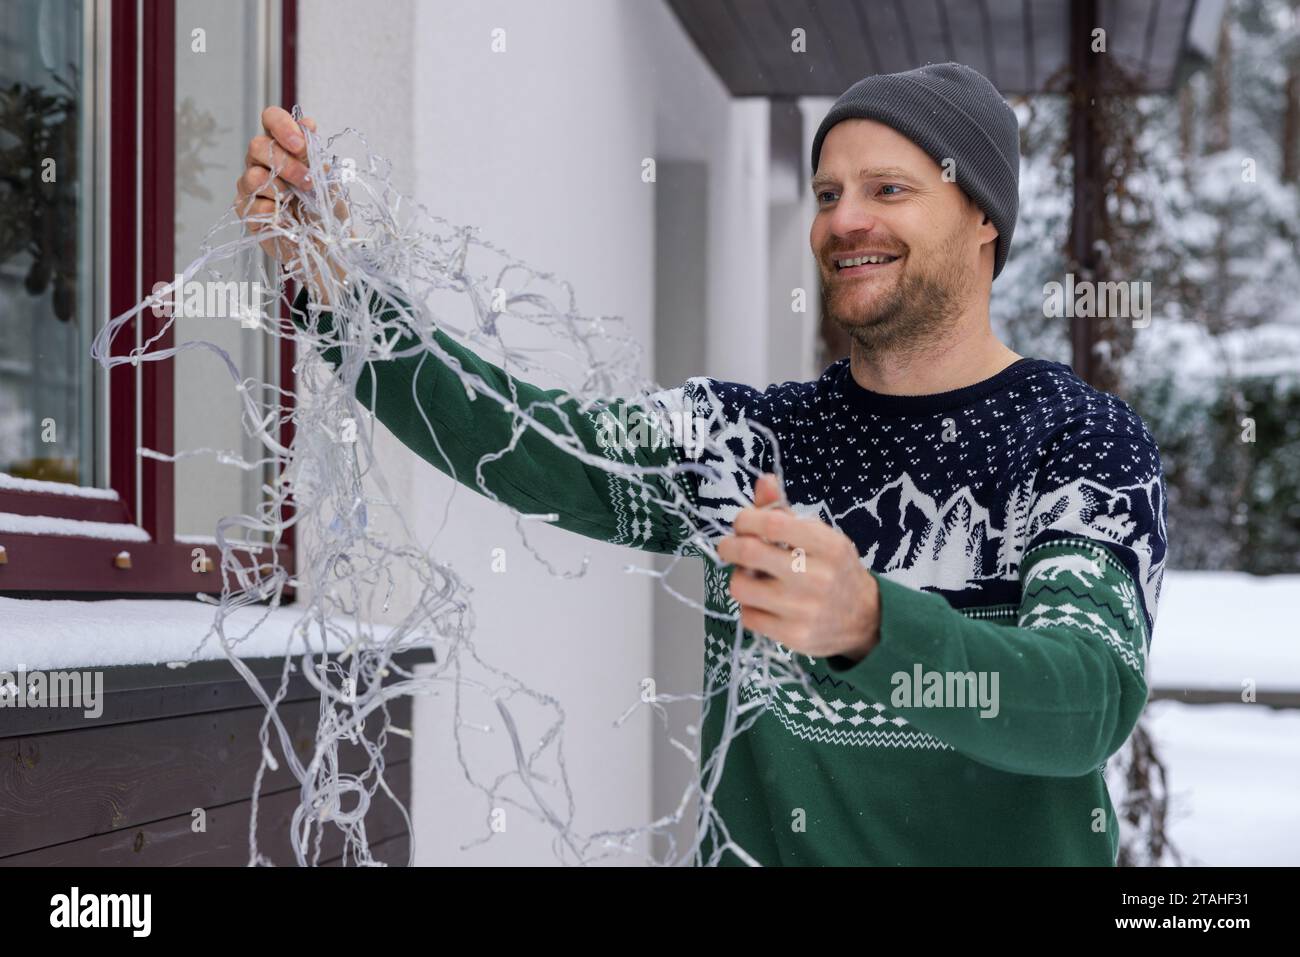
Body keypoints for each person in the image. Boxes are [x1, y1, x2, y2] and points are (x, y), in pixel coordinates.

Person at [234, 63, 1167, 866]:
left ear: (982, 223)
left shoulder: (1080, 443)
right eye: (829, 192)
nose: (845, 220)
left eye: (889, 189)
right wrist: (340, 292)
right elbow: (523, 441)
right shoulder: (751, 442)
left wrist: (873, 625)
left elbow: (1081, 698)